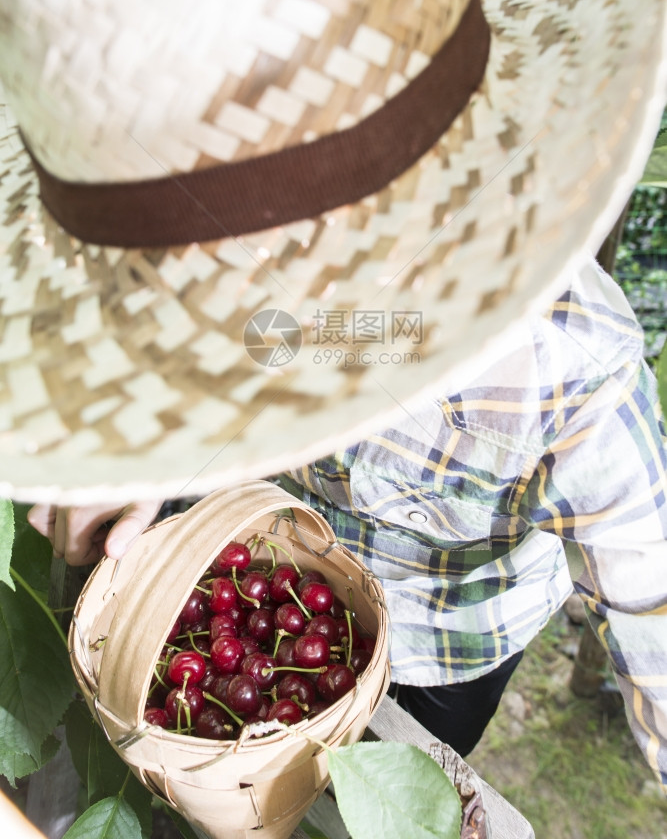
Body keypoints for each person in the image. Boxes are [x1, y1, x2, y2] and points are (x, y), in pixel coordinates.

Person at [28, 249, 667, 787]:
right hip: (280, 573)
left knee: (402, 778)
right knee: (265, 777)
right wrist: (142, 445)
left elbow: (655, 606)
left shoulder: (575, 364)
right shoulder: (248, 253)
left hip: (456, 637)